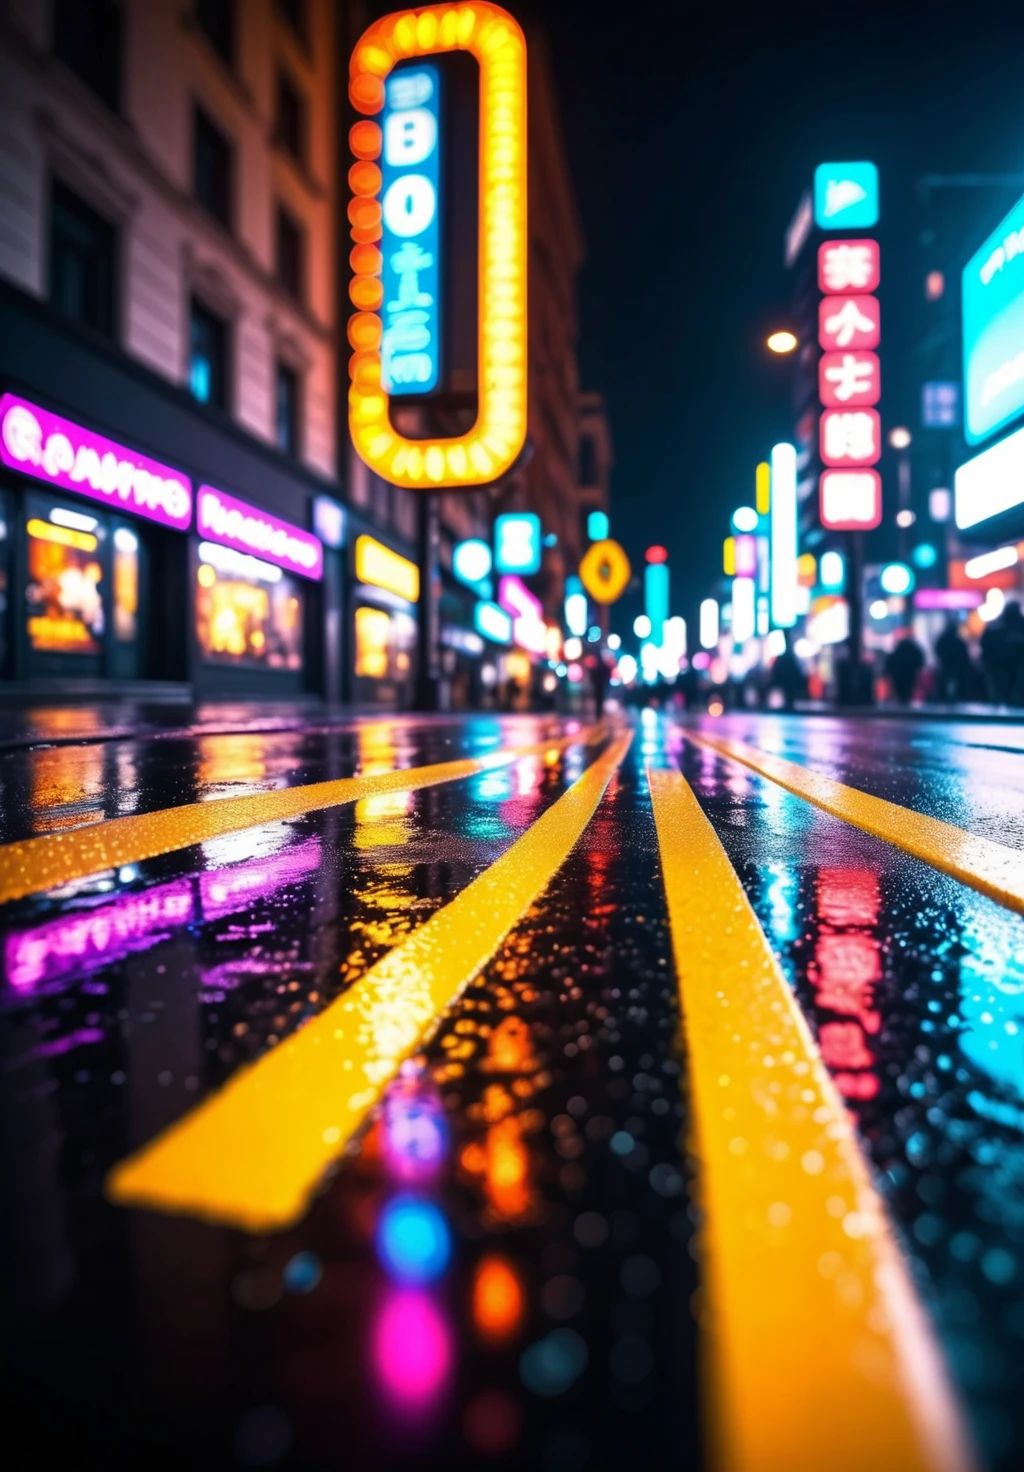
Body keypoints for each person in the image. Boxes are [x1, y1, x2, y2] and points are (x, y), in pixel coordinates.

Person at [980, 600, 1024, 704]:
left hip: (1001, 669)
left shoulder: (994, 628)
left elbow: (985, 647)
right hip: (1008, 669)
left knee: (1001, 694)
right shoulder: (996, 628)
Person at [935, 619, 973, 703]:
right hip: (956, 666)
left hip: (946, 664)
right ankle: (959, 699)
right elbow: (964, 653)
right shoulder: (957, 640)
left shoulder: (943, 639)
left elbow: (938, 649)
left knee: (944, 681)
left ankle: (943, 699)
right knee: (958, 682)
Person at [769, 634, 807, 710]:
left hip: (786, 688)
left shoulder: (783, 658)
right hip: (788, 689)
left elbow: (775, 674)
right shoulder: (790, 657)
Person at [885, 635, 925, 704]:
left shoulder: (896, 653)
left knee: (900, 691)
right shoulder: (913, 651)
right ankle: (906, 702)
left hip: (898, 674)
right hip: (910, 673)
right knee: (908, 689)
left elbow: (889, 663)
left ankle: (902, 702)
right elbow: (920, 659)